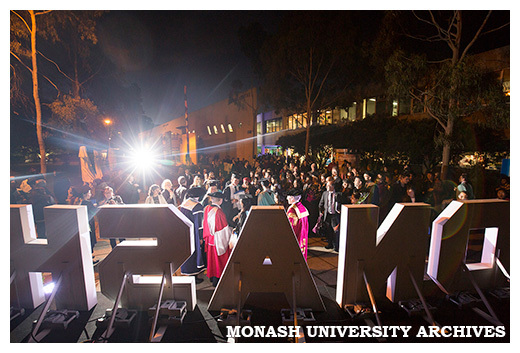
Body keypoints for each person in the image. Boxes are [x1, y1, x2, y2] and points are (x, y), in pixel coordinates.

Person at [203, 191, 233, 287]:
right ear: (220, 201)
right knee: (219, 262)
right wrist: (231, 232)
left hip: (210, 239)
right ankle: (217, 281)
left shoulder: (207, 208)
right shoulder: (219, 212)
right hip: (218, 240)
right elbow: (222, 231)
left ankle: (212, 278)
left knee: (211, 261)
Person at [179, 188, 206, 281]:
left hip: (186, 231)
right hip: (195, 233)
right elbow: (199, 224)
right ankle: (194, 274)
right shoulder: (197, 206)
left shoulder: (185, 203)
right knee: (195, 253)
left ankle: (188, 272)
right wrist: (201, 236)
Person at [286, 188, 310, 260]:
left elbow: (290, 227)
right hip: (303, 234)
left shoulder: (292, 210)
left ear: (292, 198)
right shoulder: (302, 207)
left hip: (296, 235)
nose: (287, 198)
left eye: (288, 197)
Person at [319, 180, 341, 251]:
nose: (326, 187)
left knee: (335, 231)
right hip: (327, 214)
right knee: (328, 230)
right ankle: (330, 244)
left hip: (334, 215)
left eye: (328, 185)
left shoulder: (338, 194)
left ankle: (336, 246)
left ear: (332, 186)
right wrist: (321, 211)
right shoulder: (325, 193)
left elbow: (341, 203)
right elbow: (321, 203)